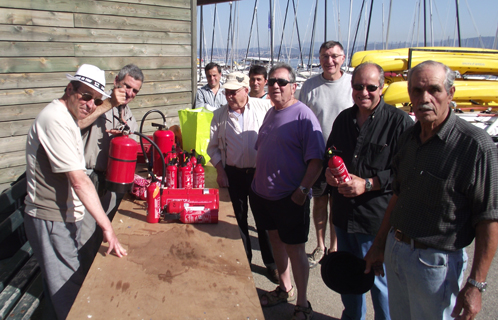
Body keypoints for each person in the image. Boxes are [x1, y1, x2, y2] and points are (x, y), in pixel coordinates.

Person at [364, 60, 498, 320]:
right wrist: (380, 244)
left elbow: (489, 219)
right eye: (416, 91)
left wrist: (476, 285)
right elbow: (397, 196)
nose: (425, 98)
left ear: (450, 93)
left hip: (436, 263)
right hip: (397, 250)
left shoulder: (474, 146)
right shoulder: (407, 139)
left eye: (434, 90)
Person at [24, 64, 127, 320]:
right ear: (70, 89)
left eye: (96, 100)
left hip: (64, 215)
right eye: (86, 96)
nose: (91, 104)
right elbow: (79, 181)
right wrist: (108, 227)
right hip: (51, 217)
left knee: (70, 282)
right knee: (68, 294)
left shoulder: (67, 116)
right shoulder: (55, 119)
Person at [325, 62, 413, 320]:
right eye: (358, 86)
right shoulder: (343, 119)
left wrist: (369, 183)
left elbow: (405, 173)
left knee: (380, 287)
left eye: (370, 87)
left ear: (382, 87)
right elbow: (329, 155)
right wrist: (329, 175)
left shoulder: (399, 123)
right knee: (349, 283)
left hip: (375, 221)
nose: (364, 92)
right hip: (343, 218)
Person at [251, 63, 325, 320]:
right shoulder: (271, 112)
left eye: (281, 82)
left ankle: (302, 304)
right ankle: (285, 288)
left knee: (296, 249)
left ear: (294, 86)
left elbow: (317, 160)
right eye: (272, 81)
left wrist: (303, 190)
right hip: (264, 195)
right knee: (275, 242)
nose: (275, 86)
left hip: (289, 198)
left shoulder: (304, 115)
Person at [206, 72, 277, 283]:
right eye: (226, 92)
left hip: (258, 173)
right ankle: (244, 261)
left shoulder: (264, 108)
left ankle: (271, 264)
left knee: (264, 220)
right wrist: (220, 170)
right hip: (233, 174)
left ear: (246, 90)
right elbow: (213, 149)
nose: (229, 96)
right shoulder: (219, 115)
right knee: (239, 220)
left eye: (233, 92)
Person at [78, 64, 143, 261]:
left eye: (135, 90)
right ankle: (82, 280)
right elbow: (77, 124)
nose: (129, 93)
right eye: (126, 86)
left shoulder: (128, 114)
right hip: (88, 179)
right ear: (116, 82)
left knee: (106, 232)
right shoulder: (96, 102)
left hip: (112, 181)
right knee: (86, 238)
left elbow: (132, 145)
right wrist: (109, 104)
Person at [298, 40, 354, 268]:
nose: (329, 61)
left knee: (338, 203)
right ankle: (320, 246)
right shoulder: (310, 86)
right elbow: (300, 120)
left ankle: (335, 246)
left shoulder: (352, 85)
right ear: (319, 59)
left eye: (334, 56)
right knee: (320, 202)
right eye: (324, 56)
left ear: (343, 58)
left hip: (344, 156)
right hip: (317, 156)